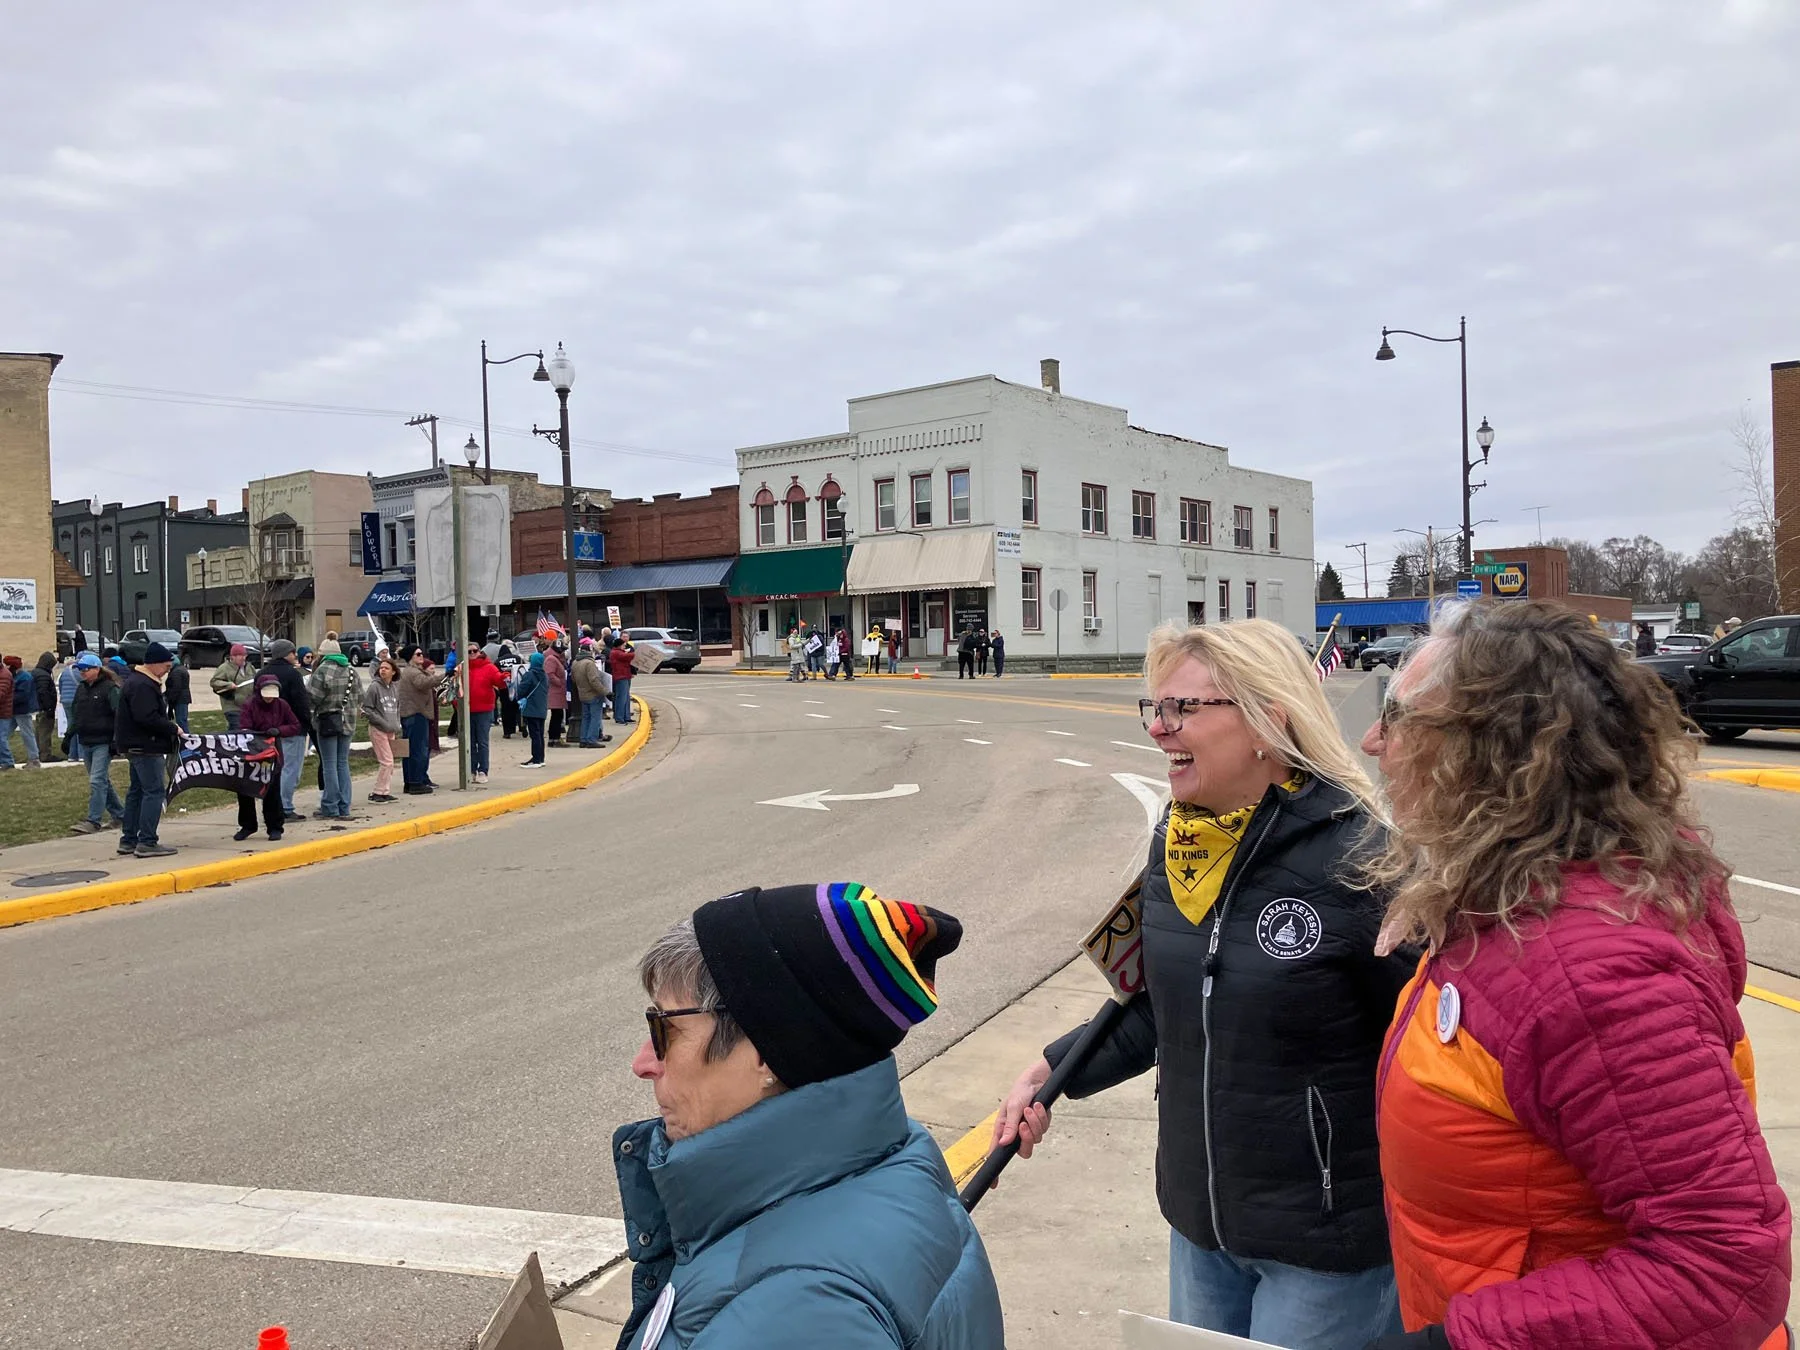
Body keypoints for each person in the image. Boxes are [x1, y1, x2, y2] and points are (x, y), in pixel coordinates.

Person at [1357, 600, 1792, 1350]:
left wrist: (1460, 1341)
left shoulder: (1587, 975)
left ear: (1482, 752)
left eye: (1395, 718)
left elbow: (1724, 1268)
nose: (1372, 741)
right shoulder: (1511, 901)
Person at [996, 618, 1413, 1349]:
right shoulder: (1178, 847)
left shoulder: (1363, 861)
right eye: (1155, 708)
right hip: (1200, 1225)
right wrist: (1051, 1071)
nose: (1159, 728)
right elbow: (1163, 1008)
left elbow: (1426, 1051)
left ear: (1266, 722)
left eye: (1183, 708)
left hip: (1325, 1247)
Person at [616, 883, 1004, 1348]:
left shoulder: (795, 1313)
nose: (643, 1063)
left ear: (767, 1049)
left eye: (665, 1027)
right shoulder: (895, 1155)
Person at [115, 641, 183, 859]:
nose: (167, 671)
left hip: (134, 745)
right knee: (154, 792)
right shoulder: (143, 685)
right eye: (166, 666)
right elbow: (147, 717)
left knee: (136, 791)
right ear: (154, 663)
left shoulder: (136, 681)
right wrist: (172, 728)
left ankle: (129, 839)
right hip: (146, 746)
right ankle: (147, 841)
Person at [67, 653, 125, 834]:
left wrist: (116, 740)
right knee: (101, 780)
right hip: (86, 741)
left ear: (97, 669)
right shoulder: (81, 689)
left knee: (96, 781)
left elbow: (119, 715)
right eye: (80, 669)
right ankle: (120, 815)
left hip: (103, 742)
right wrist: (69, 736)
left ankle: (93, 820)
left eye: (85, 669)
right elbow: (76, 714)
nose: (82, 672)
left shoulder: (110, 688)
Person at [305, 638, 361, 820]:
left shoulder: (322, 670)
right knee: (342, 763)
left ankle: (330, 806)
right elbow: (361, 696)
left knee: (329, 764)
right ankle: (344, 806)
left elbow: (312, 697)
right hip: (348, 721)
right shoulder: (352, 670)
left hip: (327, 721)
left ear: (323, 654)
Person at [234, 672, 294, 841]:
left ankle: (275, 827)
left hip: (273, 753)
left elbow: (294, 725)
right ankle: (248, 825)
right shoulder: (249, 705)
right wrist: (256, 735)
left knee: (272, 791)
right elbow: (244, 727)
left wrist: (279, 730)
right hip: (252, 751)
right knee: (245, 789)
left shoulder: (282, 705)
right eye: (266, 695)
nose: (269, 698)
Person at [263, 640, 313, 819]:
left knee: (272, 770)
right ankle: (285, 807)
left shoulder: (262, 673)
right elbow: (301, 701)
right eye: (293, 653)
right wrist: (306, 722)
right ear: (285, 654)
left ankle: (271, 805)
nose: (295, 656)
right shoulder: (293, 675)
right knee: (290, 769)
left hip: (267, 730)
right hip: (292, 728)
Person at [396, 645, 440, 794]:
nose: (422, 656)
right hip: (416, 714)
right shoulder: (413, 672)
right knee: (418, 750)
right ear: (411, 657)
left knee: (410, 751)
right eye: (418, 654)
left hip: (412, 715)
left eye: (422, 653)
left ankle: (410, 782)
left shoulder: (411, 671)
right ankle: (416, 783)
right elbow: (424, 683)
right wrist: (446, 675)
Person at [464, 644, 509, 783]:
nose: (472, 653)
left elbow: (498, 680)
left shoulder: (489, 667)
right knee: (470, 743)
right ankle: (471, 770)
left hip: (484, 710)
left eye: (475, 650)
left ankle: (483, 770)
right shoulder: (462, 668)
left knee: (482, 742)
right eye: (469, 651)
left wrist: (505, 677)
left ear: (480, 651)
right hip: (467, 710)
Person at [360, 655, 401, 802]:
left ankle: (385, 791)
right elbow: (367, 708)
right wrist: (381, 722)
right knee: (387, 761)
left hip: (391, 728)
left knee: (390, 762)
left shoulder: (395, 688)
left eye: (386, 668)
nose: (383, 670)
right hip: (378, 728)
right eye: (381, 668)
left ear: (393, 672)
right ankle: (378, 792)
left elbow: (397, 708)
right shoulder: (374, 687)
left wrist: (396, 724)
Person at [2, 653, 41, 767]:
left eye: (7, 665)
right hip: (13, 710)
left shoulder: (24, 678)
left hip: (23, 711)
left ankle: (34, 759)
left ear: (12, 666)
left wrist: (8, 699)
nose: (5, 667)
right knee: (3, 735)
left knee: (27, 734)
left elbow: (23, 696)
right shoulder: (16, 676)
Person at [572, 639, 612, 748]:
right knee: (595, 718)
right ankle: (591, 740)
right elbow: (594, 681)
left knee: (586, 718)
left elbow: (573, 679)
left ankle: (583, 739)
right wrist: (606, 692)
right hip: (593, 694)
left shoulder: (575, 662)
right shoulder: (589, 663)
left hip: (582, 694)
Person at [515, 649, 549, 768]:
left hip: (532, 708)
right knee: (540, 734)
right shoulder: (545, 675)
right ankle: (540, 758)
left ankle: (536, 760)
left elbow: (521, 690)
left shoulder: (529, 675)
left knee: (534, 735)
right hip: (542, 708)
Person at [212, 643, 255, 733]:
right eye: (240, 656)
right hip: (232, 706)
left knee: (245, 730)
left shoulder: (250, 667)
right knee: (237, 729)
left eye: (245, 655)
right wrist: (228, 685)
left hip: (248, 706)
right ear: (232, 657)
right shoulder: (224, 668)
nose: (243, 658)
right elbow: (214, 682)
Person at [31, 653, 61, 762]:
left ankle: (38, 753)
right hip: (45, 708)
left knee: (39, 731)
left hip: (39, 707)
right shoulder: (44, 675)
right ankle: (45, 754)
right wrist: (49, 707)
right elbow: (43, 692)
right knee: (45, 731)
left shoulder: (36, 672)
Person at [607, 633, 636, 726]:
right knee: (621, 698)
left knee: (626, 698)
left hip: (625, 676)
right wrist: (636, 653)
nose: (624, 647)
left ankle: (626, 716)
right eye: (623, 645)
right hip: (620, 677)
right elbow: (627, 656)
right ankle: (619, 717)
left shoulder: (619, 652)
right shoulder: (616, 653)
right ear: (619, 645)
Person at [495, 640, 522, 739]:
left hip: (504, 688)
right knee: (518, 707)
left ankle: (507, 731)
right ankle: (522, 726)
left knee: (506, 709)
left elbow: (496, 675)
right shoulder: (517, 658)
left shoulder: (498, 661)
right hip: (517, 686)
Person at [543, 641, 568, 747]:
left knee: (557, 715)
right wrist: (560, 683)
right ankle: (554, 739)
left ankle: (554, 739)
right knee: (557, 716)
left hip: (557, 691)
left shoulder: (555, 658)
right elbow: (550, 675)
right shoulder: (551, 659)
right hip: (554, 692)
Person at [57, 655, 80, 758]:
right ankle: (81, 754)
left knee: (70, 726)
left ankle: (71, 754)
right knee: (78, 726)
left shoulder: (64, 672)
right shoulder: (80, 672)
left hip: (65, 700)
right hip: (76, 701)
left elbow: (61, 686)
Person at [164, 654, 192, 733]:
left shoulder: (176, 672)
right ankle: (186, 736)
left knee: (181, 721)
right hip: (183, 698)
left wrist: (171, 702)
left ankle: (186, 737)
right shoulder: (180, 669)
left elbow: (176, 688)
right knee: (182, 720)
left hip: (180, 699)